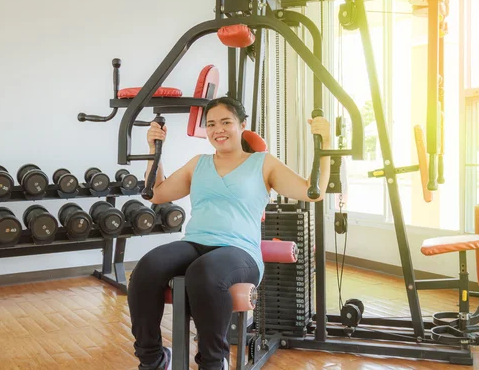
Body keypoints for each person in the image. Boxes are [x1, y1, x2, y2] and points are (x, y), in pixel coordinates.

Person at [127, 96, 331, 370]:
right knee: (146, 268)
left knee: (205, 272)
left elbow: (311, 191)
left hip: (239, 251)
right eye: (211, 124)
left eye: (226, 122)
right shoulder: (198, 163)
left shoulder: (263, 163)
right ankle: (152, 359)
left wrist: (326, 145)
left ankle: (213, 363)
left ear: (242, 125)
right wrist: (155, 151)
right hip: (195, 242)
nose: (217, 129)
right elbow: (158, 193)